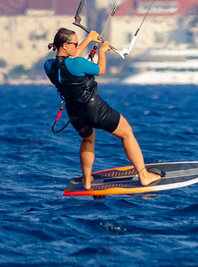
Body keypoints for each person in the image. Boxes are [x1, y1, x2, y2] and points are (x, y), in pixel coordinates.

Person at [45, 27, 162, 190]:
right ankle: (144, 176)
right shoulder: (77, 63)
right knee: (127, 133)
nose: (78, 46)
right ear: (65, 45)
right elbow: (101, 69)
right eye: (76, 44)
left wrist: (87, 40)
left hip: (74, 115)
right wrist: (102, 51)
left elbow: (68, 62)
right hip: (94, 110)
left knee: (88, 139)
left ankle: (86, 181)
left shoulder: (48, 66)